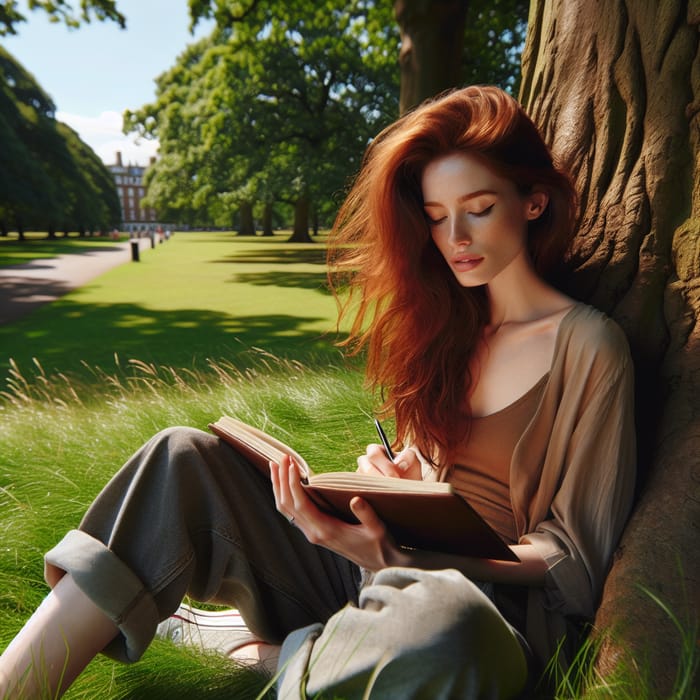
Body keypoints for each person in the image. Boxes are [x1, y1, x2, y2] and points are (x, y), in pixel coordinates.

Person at [0, 85, 636, 699]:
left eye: (479, 209)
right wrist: (390, 486)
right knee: (181, 455)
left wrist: (405, 553)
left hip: (478, 609)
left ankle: (280, 654)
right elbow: (435, 480)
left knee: (444, 624)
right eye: (437, 218)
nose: (456, 241)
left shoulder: (590, 346)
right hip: (368, 569)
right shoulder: (452, 330)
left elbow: (574, 562)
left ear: (533, 201)